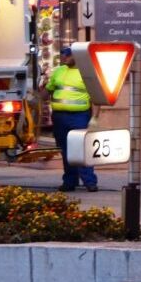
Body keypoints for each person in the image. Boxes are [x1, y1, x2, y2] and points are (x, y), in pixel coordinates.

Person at [41, 46, 99, 192]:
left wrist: (95, 117)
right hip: (60, 117)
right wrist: (35, 98)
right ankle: (69, 182)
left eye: (67, 56)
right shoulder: (59, 71)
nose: (64, 58)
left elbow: (96, 97)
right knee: (66, 151)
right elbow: (48, 91)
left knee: (81, 149)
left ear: (76, 56)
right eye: (62, 55)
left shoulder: (86, 72)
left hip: (79, 116)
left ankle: (89, 181)